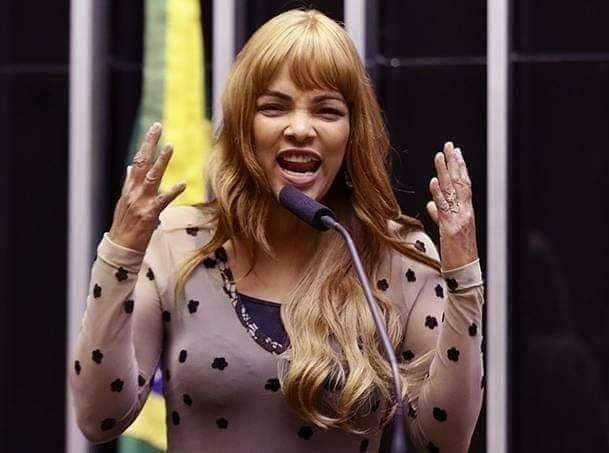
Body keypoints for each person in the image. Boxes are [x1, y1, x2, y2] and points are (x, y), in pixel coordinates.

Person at [69, 9, 484, 453]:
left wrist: (464, 275)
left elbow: (446, 441)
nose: (300, 129)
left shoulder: (396, 255)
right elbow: (98, 417)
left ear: (352, 132)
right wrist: (121, 251)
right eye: (274, 107)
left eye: (327, 110)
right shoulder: (177, 242)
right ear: (244, 126)